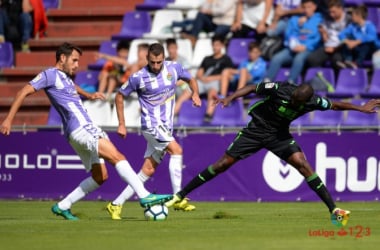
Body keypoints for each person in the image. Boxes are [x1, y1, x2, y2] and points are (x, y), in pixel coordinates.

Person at [166, 81, 380, 226]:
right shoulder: (281, 89)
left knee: (304, 166)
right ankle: (180, 196)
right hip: (256, 130)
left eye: (297, 102)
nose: (294, 102)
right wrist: (231, 97)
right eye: (294, 98)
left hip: (279, 136)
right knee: (222, 164)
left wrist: (360, 109)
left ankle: (334, 210)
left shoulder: (313, 101)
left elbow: (335, 105)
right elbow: (252, 87)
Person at [0, 42, 172, 220]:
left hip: (76, 132)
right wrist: (8, 119)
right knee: (117, 156)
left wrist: (88, 95)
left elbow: (71, 88)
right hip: (82, 128)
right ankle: (144, 196)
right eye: (74, 60)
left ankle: (63, 205)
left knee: (100, 176)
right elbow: (22, 92)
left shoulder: (65, 77)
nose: (77, 65)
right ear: (62, 58)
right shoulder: (49, 74)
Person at [106, 43, 202, 220]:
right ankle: (178, 197)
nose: (156, 66)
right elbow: (119, 95)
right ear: (147, 59)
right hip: (151, 125)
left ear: (164, 58)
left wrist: (194, 93)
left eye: (159, 62)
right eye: (152, 62)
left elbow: (191, 79)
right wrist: (121, 124)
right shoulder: (139, 77)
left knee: (147, 171)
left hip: (165, 127)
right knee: (177, 150)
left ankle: (115, 204)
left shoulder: (174, 68)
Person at [175, 35, 235, 122]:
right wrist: (203, 78)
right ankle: (174, 113)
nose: (215, 47)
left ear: (222, 45)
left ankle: (208, 115)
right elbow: (199, 73)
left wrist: (210, 78)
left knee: (212, 93)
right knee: (188, 90)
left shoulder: (227, 59)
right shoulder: (207, 59)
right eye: (214, 45)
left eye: (217, 45)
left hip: (216, 82)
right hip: (203, 82)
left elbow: (228, 75)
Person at [264, 0, 322, 84]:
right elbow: (289, 35)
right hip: (293, 48)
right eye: (304, 7)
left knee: (299, 59)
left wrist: (306, 46)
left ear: (314, 7)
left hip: (308, 49)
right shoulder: (295, 19)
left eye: (309, 7)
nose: (306, 10)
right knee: (277, 58)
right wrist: (293, 45)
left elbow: (318, 38)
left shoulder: (319, 19)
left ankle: (291, 82)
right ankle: (267, 81)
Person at [305, 0, 350, 73]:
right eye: (330, 12)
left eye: (334, 12)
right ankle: (320, 78)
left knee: (337, 62)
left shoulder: (348, 20)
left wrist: (335, 48)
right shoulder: (327, 18)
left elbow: (348, 39)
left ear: (340, 8)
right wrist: (323, 34)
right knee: (311, 59)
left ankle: (337, 81)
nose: (331, 14)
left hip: (341, 48)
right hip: (327, 46)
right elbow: (323, 30)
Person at [337, 5, 378, 69]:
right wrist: (347, 42)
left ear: (359, 16)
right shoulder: (352, 26)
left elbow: (372, 37)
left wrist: (356, 42)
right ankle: (348, 61)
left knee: (367, 44)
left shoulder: (370, 25)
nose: (351, 17)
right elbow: (341, 34)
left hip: (370, 51)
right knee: (346, 42)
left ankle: (357, 63)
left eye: (353, 16)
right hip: (358, 49)